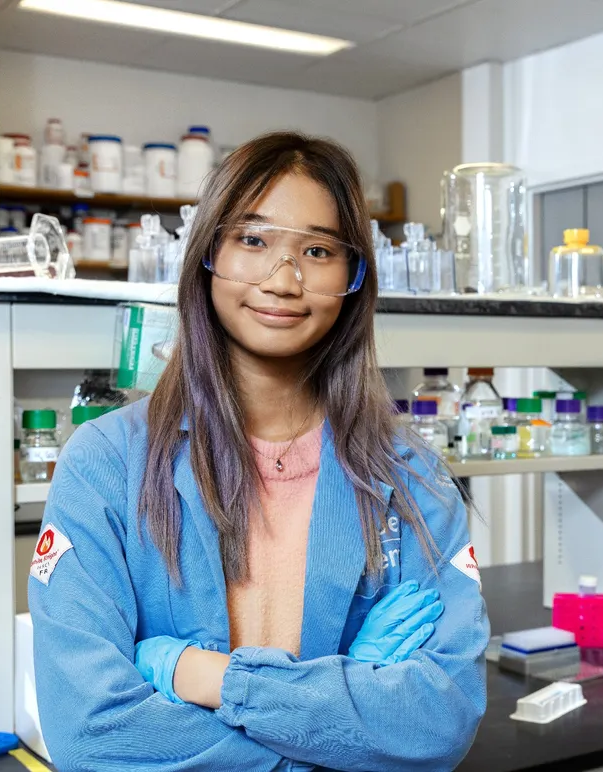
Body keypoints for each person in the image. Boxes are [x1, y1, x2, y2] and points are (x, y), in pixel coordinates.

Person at [28, 131, 489, 771]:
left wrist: (208, 678)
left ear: (353, 278)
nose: (283, 278)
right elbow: (91, 730)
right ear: (208, 254)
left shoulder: (410, 475)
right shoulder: (107, 463)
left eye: (318, 250)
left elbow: (440, 719)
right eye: (252, 239)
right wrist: (338, 722)